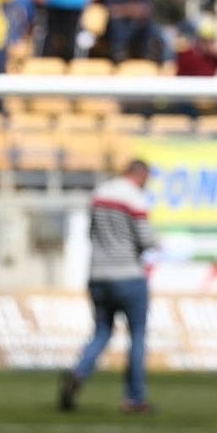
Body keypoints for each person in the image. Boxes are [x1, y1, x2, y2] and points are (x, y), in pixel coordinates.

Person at [59, 159, 158, 414]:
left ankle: (79, 373)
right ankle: (134, 398)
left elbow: (91, 233)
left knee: (102, 331)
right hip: (128, 275)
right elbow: (146, 240)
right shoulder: (135, 199)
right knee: (137, 335)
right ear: (140, 174)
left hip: (98, 275)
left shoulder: (99, 193)